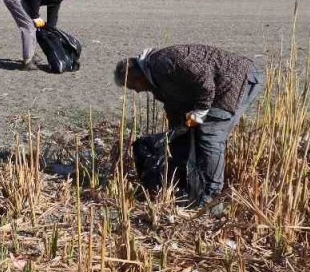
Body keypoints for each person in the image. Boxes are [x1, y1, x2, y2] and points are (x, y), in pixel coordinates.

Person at [112, 45, 264, 207]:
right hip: (217, 88)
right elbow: (174, 107)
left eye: (132, 86)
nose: (136, 91)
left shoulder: (164, 62)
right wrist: (178, 130)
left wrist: (200, 112)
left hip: (237, 80)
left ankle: (212, 196)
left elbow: (205, 82)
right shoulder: (155, 82)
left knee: (209, 134)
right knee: (187, 135)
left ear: (136, 75)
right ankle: (186, 185)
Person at [2, 0, 81, 69]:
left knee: (34, 26)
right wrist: (35, 16)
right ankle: (27, 61)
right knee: (28, 26)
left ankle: (30, 54)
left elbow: (53, 10)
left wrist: (51, 29)